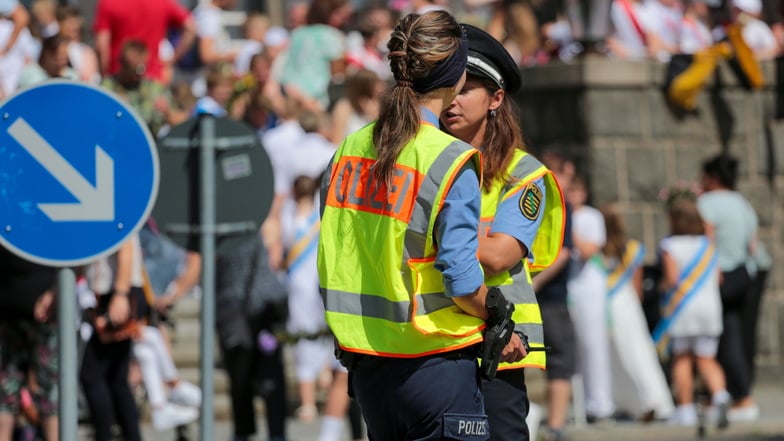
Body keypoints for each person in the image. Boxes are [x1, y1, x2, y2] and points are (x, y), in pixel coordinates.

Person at [317, 11, 526, 441]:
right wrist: (496, 317)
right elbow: (462, 279)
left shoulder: (348, 150)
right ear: (454, 74)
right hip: (435, 368)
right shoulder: (449, 159)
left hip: (369, 369)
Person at [439, 23, 565, 441]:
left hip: (498, 344)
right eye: (446, 88)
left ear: (495, 99)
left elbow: (499, 255)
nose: (451, 101)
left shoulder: (523, 172)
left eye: (465, 89)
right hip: (433, 340)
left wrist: (437, 232)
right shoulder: (425, 162)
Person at [652, 197, 731, 427]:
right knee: (707, 359)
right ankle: (720, 396)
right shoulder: (708, 245)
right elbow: (718, 277)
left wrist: (660, 289)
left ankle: (685, 410)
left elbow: (672, 279)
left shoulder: (670, 246)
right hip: (709, 308)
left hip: (682, 311)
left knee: (682, 359)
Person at [697, 154, 760, 423]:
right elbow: (753, 245)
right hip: (744, 274)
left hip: (718, 276)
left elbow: (707, 241)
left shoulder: (706, 203)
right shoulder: (742, 203)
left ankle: (737, 394)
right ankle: (732, 393)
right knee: (734, 331)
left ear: (712, 177)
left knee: (720, 337)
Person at [599, 203, 674, 422]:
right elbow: (637, 287)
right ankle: (654, 400)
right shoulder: (632, 248)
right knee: (638, 352)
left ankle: (622, 401)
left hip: (604, 303)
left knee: (612, 355)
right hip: (626, 303)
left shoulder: (597, 249)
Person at [533, 151, 578, 441]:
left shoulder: (525, 196)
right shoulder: (559, 202)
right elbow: (563, 253)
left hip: (520, 292)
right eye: (566, 176)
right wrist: (535, 284)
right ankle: (556, 426)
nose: (568, 184)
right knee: (561, 360)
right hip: (549, 296)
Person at [565, 174, 615, 423]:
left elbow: (588, 250)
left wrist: (567, 227)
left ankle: (601, 403)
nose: (573, 196)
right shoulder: (564, 215)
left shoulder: (591, 217)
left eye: (577, 191)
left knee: (593, 345)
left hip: (590, 288)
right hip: (570, 287)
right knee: (574, 347)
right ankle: (581, 404)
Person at [0, 247, 57, 441]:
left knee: (50, 391)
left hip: (46, 317)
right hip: (8, 316)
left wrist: (54, 292)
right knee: (5, 391)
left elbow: (73, 260)